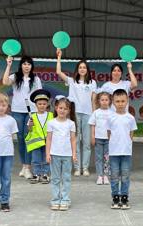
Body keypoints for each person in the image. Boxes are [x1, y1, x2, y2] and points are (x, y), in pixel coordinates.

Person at [56, 49, 96, 177]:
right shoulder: (72, 81)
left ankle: (85, 167)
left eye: (84, 67)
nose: (82, 69)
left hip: (88, 115)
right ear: (77, 69)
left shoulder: (92, 82)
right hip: (75, 114)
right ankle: (77, 167)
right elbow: (58, 72)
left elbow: (93, 99)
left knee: (86, 142)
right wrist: (59, 57)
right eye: (80, 67)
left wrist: (94, 115)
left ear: (87, 70)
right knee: (76, 141)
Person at [2, 56, 42, 179]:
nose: (26, 66)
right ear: (21, 65)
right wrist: (8, 65)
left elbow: (39, 94)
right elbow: (4, 82)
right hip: (17, 111)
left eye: (29, 64)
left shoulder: (35, 79)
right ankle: (24, 166)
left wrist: (38, 110)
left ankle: (28, 167)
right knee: (20, 138)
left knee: (28, 138)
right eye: (24, 64)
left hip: (31, 112)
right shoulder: (15, 77)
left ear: (31, 66)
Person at [107, 89, 137, 209]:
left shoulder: (130, 118)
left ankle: (124, 197)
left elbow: (131, 134)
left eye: (123, 101)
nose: (120, 103)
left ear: (127, 101)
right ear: (113, 102)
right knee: (114, 175)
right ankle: (115, 196)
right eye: (117, 101)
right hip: (114, 152)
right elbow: (108, 133)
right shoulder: (110, 117)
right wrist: (113, 144)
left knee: (125, 175)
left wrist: (127, 145)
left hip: (126, 152)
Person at [46, 95, 77, 211]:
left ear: (69, 110)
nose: (62, 110)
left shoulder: (71, 124)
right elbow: (48, 139)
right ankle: (55, 199)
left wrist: (74, 154)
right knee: (55, 178)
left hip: (67, 155)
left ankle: (65, 199)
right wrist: (47, 154)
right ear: (56, 108)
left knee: (66, 178)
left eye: (65, 108)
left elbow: (73, 140)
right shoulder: (51, 123)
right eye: (60, 108)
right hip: (54, 154)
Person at [25, 89, 53, 184]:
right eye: (40, 104)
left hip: (47, 142)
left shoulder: (51, 115)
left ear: (47, 105)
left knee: (46, 158)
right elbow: (29, 130)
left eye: (44, 104)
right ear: (36, 105)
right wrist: (30, 125)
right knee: (35, 159)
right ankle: (36, 174)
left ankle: (45, 174)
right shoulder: (32, 116)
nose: (42, 105)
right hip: (36, 143)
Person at [88, 89, 112, 185]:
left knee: (107, 158)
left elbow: (113, 126)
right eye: (102, 100)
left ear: (110, 101)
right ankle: (100, 175)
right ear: (99, 101)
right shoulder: (96, 112)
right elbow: (92, 125)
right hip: (98, 138)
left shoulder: (112, 113)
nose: (104, 102)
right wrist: (92, 137)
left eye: (106, 100)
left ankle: (106, 175)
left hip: (108, 139)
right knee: (98, 158)